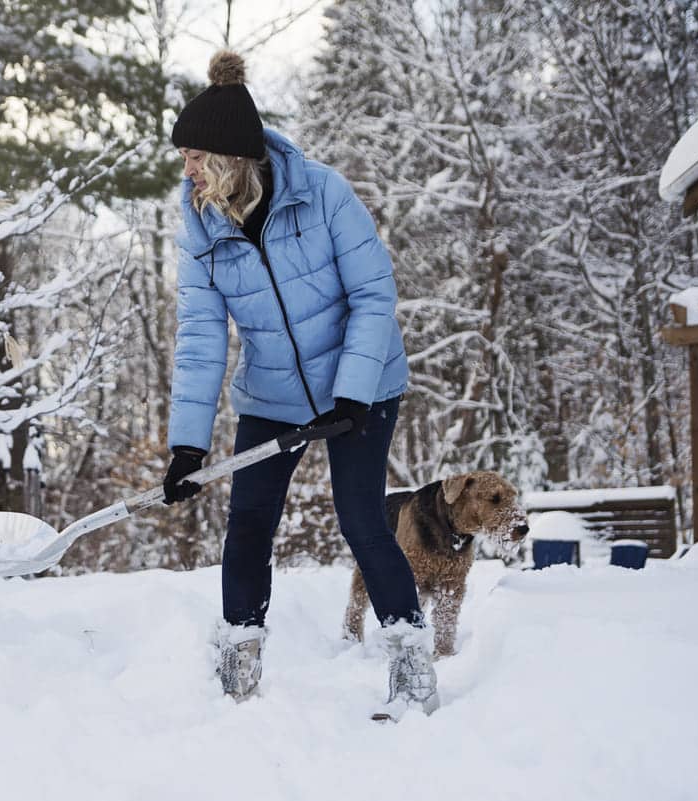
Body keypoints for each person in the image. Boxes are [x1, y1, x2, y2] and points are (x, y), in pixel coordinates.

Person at [162, 49, 438, 719]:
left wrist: (351, 392)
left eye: (197, 156)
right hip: (274, 393)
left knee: (362, 519)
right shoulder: (201, 223)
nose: (188, 169)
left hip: (363, 383)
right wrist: (188, 448)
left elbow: (374, 296)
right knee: (248, 523)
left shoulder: (323, 193)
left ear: (232, 157)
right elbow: (201, 336)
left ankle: (410, 661)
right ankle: (239, 662)